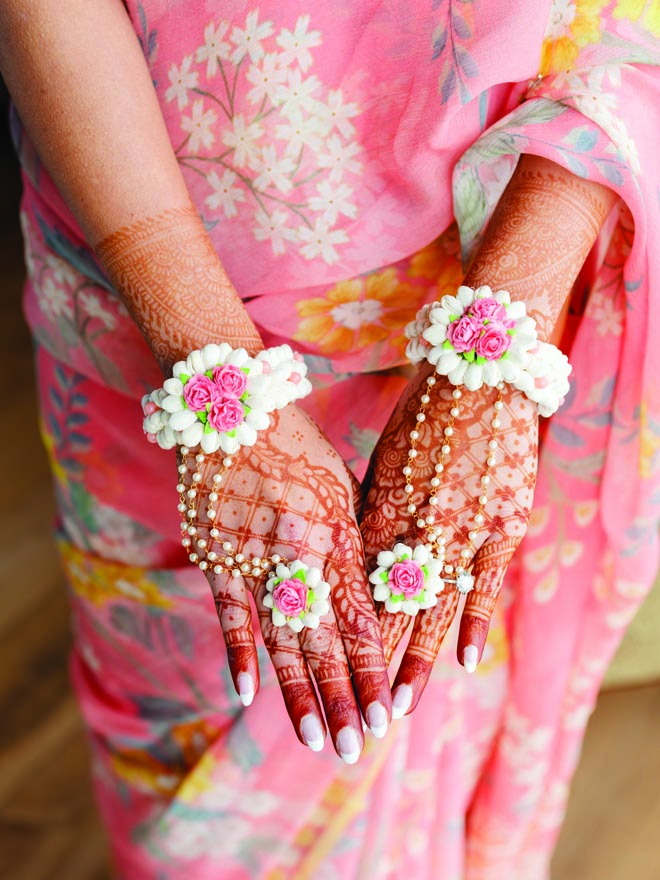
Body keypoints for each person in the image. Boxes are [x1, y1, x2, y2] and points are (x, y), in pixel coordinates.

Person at [1, 0, 659, 876]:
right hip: (141, 290)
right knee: (189, 726)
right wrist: (214, 384)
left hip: (496, 259)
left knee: (443, 668)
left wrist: (495, 346)